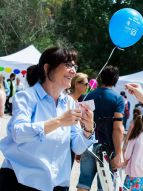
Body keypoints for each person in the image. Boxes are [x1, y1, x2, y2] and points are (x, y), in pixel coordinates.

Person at [0, 47, 95, 191]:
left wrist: (88, 128)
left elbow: (77, 147)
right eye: (68, 65)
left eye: (75, 66)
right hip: (20, 181)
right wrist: (59, 121)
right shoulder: (26, 97)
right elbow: (18, 133)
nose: (73, 71)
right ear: (47, 68)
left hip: (57, 184)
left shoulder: (69, 103)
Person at [77, 66, 125, 191]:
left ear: (100, 78)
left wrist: (79, 148)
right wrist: (119, 154)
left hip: (88, 144)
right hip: (107, 149)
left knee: (83, 183)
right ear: (115, 80)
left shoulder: (88, 96)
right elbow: (118, 128)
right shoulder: (118, 99)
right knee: (104, 186)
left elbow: (81, 123)